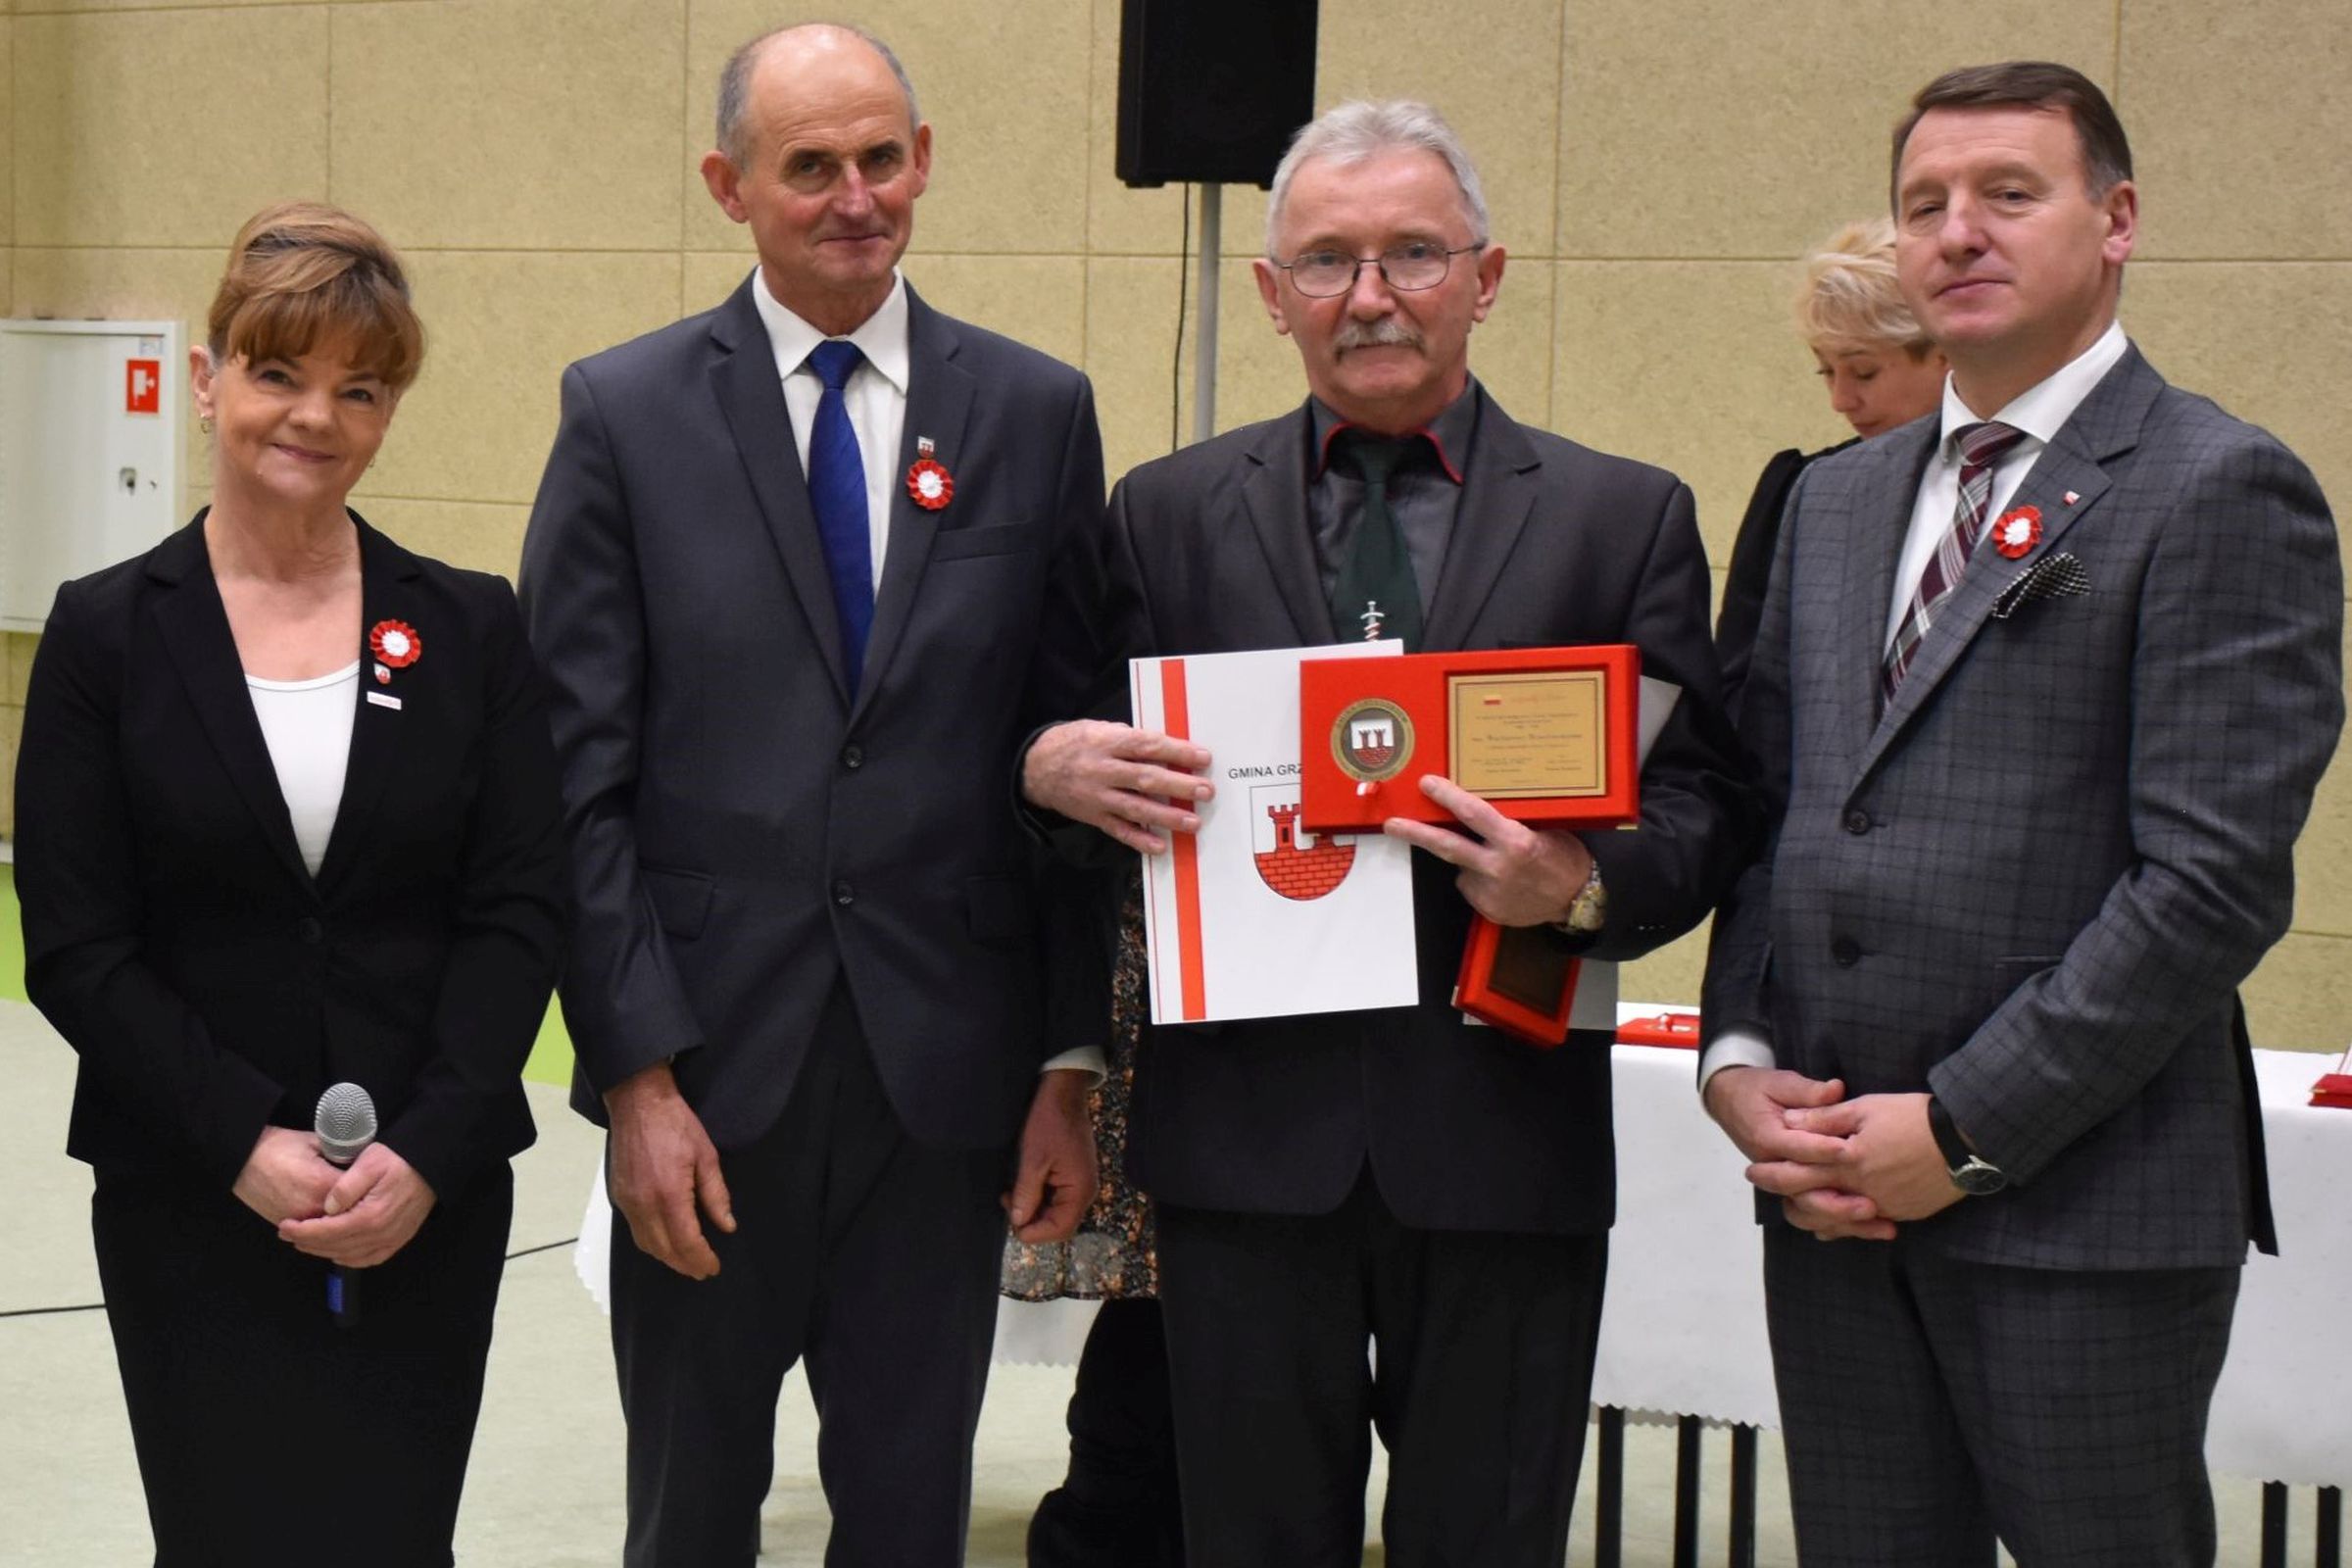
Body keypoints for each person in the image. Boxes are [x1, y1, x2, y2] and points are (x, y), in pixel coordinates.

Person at [1023, 100, 1750, 1565]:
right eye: (1327, 260)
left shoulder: (1620, 519)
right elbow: (1081, 803)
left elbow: (1710, 807)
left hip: (1506, 1141)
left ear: (1486, 278)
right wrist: (1052, 775)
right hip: (1244, 1153)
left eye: (1414, 253)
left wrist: (1580, 884)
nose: (1370, 295)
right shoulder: (1162, 515)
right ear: (1270, 291)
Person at [1699, 61, 2343, 1567]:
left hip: (2081, 1217)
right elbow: (1777, 813)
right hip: (1834, 1204)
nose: (1959, 230)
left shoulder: (2219, 486)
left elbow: (2211, 885)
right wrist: (1741, 1057)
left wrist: (1963, 1131)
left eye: (2008, 193)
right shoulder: (1836, 503)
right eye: (1926, 202)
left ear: (2116, 222)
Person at [515, 23, 1103, 1565]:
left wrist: (1067, 1065)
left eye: (883, 158)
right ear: (731, 187)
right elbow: (574, 783)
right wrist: (635, 1083)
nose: (857, 197)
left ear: (925, 161)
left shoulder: (1034, 412)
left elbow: (1072, 764)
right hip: (709, 1082)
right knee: (690, 1518)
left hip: (943, 1087)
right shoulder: (625, 414)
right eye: (811, 167)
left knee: (910, 1521)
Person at [16, 201, 567, 1566]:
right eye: (278, 372)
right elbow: (77, 944)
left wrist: (425, 1153)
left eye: (359, 389)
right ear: (208, 380)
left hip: (425, 1193)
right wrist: (242, 1144)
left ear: (388, 415)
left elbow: (518, 910)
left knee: (397, 1538)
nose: (315, 416)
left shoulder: (468, 625)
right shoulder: (105, 632)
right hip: (189, 1189)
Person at [1717, 218, 1946, 706]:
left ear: (1945, 355)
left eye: (1864, 372)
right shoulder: (1802, 487)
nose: (1841, 401)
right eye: (1826, 371)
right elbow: (1743, 692)